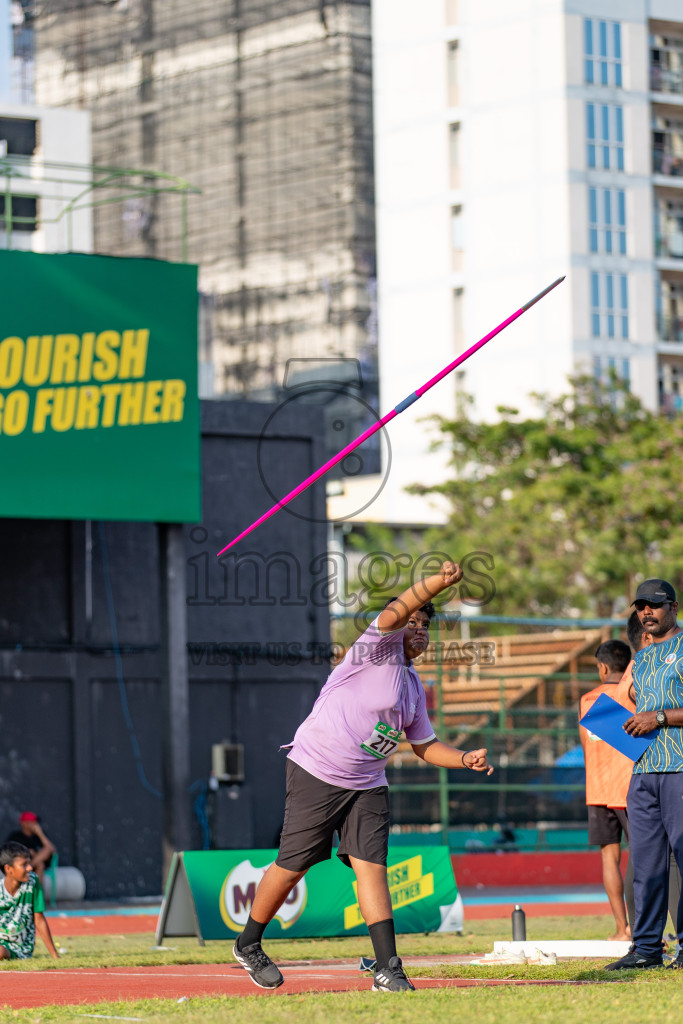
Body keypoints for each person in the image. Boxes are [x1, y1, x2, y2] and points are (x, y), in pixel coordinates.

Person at [232, 560, 494, 992]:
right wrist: (434, 584)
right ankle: (249, 943)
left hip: (367, 783)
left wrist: (464, 758)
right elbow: (394, 613)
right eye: (414, 622)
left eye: (426, 626)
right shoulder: (373, 650)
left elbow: (425, 746)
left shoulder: (412, 686)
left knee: (372, 868)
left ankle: (389, 968)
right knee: (293, 865)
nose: (420, 630)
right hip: (318, 768)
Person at [606, 579, 683, 970]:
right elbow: (639, 706)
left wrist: (656, 718)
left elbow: (657, 713)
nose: (646, 613)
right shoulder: (644, 657)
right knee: (647, 864)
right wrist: (630, 723)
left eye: (653, 605)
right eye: (641, 607)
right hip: (644, 770)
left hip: (680, 768)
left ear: (672, 606)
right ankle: (647, 949)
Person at [579, 638, 633, 940]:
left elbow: (586, 747)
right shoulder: (630, 696)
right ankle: (644, 929)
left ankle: (621, 930)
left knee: (609, 859)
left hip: (597, 789)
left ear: (602, 668)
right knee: (642, 857)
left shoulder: (587, 701)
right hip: (629, 788)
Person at [0, 842, 59, 960]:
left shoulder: (32, 882)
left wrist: (55, 956)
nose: (30, 868)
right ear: (8, 869)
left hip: (20, 949)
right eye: (24, 865)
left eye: (29, 863)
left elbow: (40, 920)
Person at [4, 812, 56, 885]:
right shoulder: (16, 836)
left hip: (35, 863)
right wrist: (27, 852)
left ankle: (30, 866)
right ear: (24, 823)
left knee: (42, 861)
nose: (35, 824)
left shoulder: (38, 836)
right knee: (39, 863)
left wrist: (40, 833)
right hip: (21, 863)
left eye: (35, 822)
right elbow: (8, 851)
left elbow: (52, 849)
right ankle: (37, 894)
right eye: (32, 822)